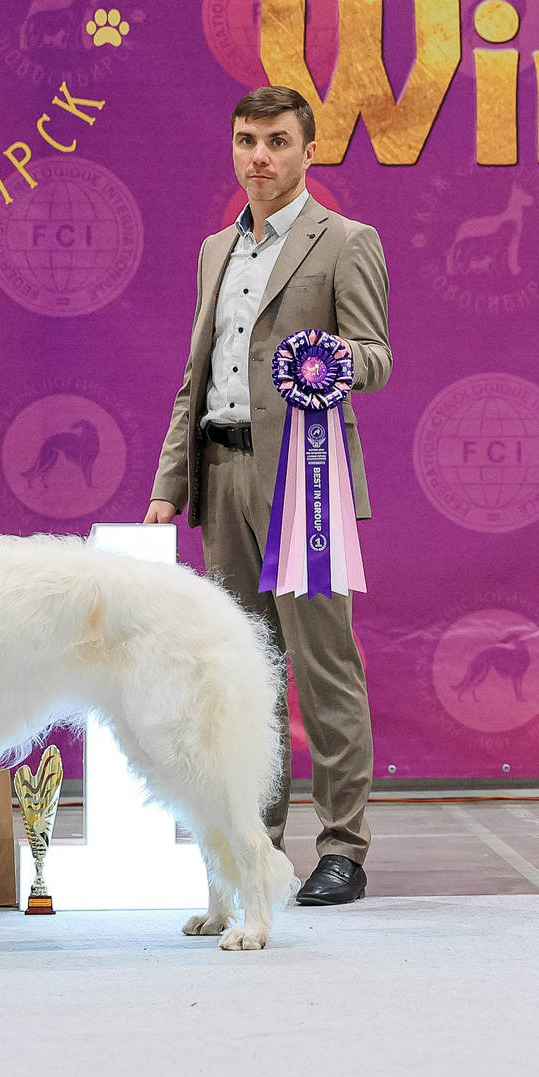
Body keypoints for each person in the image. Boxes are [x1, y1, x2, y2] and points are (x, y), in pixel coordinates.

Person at [149, 86, 391, 906]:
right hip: (220, 474)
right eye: (247, 139)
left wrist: (332, 362)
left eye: (277, 141)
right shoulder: (216, 248)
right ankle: (255, 845)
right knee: (243, 670)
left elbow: (378, 354)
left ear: (308, 151)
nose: (260, 155)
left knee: (324, 666)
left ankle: (343, 847)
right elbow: (196, 376)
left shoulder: (347, 242)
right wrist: (167, 485)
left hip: (302, 479)